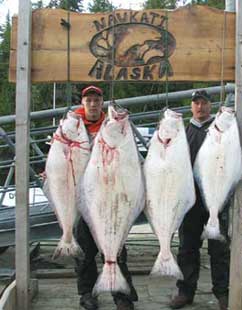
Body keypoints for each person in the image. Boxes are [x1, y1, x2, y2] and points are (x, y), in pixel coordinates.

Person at [74, 85, 138, 310]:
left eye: (96, 100)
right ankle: (87, 294)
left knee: (117, 250)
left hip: (112, 197)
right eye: (88, 100)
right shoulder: (73, 126)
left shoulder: (112, 125)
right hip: (84, 201)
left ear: (101, 103)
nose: (93, 104)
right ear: (82, 102)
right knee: (85, 252)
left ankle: (122, 295)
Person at [169, 90, 230, 310]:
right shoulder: (182, 132)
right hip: (190, 202)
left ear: (210, 106)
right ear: (191, 106)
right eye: (196, 103)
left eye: (204, 103)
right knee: (187, 248)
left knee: (220, 249)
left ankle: (223, 293)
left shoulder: (221, 130)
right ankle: (186, 291)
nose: (200, 107)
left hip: (217, 198)